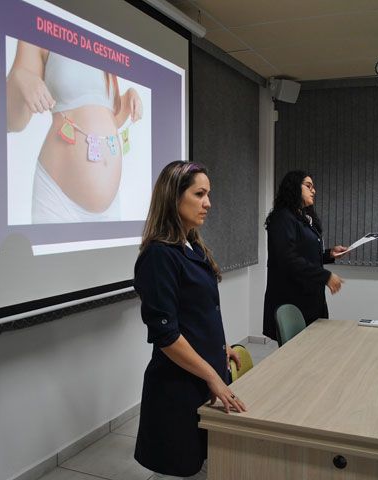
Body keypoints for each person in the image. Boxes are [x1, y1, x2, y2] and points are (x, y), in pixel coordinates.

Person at [133, 161, 246, 479]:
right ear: (174, 197)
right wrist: (211, 375)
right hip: (178, 387)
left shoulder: (191, 246)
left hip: (202, 374)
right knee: (179, 466)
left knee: (202, 461)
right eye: (199, 194)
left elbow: (199, 309)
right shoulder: (159, 256)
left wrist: (220, 346)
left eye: (208, 194)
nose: (208, 203)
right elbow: (166, 334)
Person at [6, 40, 143, 223]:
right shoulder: (41, 31)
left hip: (111, 207)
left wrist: (128, 99)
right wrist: (18, 77)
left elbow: (104, 122)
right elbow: (14, 122)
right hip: (57, 201)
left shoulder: (104, 44)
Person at [262, 170, 348, 342]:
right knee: (297, 355)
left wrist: (329, 254)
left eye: (313, 187)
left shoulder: (303, 218)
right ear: (294, 187)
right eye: (308, 186)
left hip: (310, 297)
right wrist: (325, 276)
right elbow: (287, 259)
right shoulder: (282, 218)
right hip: (293, 298)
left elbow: (304, 254)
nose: (313, 190)